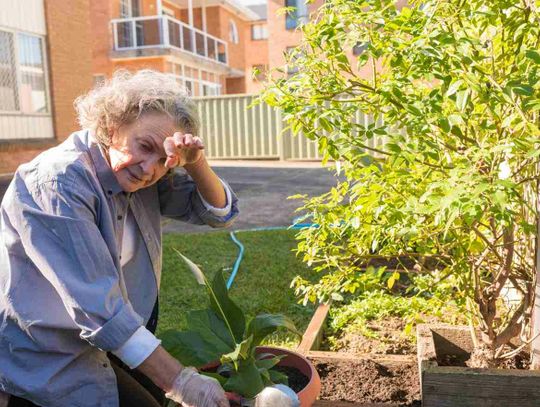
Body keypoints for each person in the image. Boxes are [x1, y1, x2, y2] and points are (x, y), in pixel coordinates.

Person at [0, 70, 239, 407]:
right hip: (44, 351)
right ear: (112, 126)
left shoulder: (141, 176)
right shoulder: (58, 183)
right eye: (145, 146)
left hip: (108, 340)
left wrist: (195, 161)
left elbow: (218, 213)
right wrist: (181, 382)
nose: (148, 168)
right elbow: (99, 308)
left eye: (163, 160)